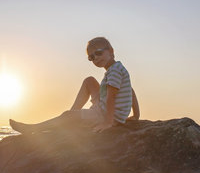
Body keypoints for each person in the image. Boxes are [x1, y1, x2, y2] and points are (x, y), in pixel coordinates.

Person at [10, 37, 140, 133]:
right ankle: (73, 116)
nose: (96, 58)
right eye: (91, 57)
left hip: (105, 114)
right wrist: (136, 115)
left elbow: (111, 97)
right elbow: (130, 90)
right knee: (89, 80)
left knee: (67, 116)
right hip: (105, 107)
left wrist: (108, 122)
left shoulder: (114, 72)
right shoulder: (117, 68)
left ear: (111, 51)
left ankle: (33, 129)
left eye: (99, 53)